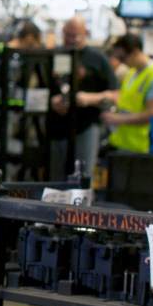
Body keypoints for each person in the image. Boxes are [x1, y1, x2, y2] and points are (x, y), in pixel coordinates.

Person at [48, 16, 114, 182]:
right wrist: (52, 102)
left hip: (86, 125)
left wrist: (89, 99)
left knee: (82, 178)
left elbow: (116, 95)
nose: (70, 40)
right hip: (57, 127)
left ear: (85, 33)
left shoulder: (98, 59)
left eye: (75, 35)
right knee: (56, 180)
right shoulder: (54, 55)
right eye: (67, 35)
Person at [102, 33, 153, 154]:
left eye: (123, 58)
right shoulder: (133, 73)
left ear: (135, 52)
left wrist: (119, 119)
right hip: (127, 144)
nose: (121, 62)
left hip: (145, 148)